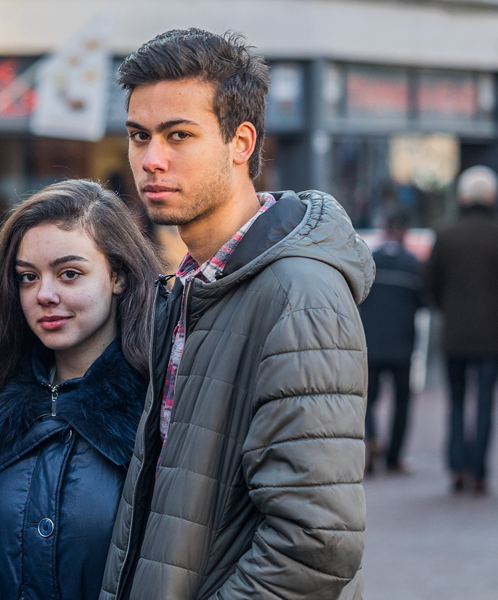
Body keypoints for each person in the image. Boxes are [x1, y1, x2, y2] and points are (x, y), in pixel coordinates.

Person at [99, 29, 375, 600]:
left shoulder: (301, 293)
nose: (151, 159)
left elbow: (316, 540)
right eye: (138, 135)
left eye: (178, 135)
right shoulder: (191, 285)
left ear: (241, 142)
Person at [0, 180, 161, 599]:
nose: (44, 294)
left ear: (118, 275)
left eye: (69, 274)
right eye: (27, 277)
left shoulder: (165, 410)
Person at [425, 165, 498, 494]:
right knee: (484, 402)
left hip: (454, 333)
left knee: (455, 401)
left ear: (463, 197)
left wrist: (446, 308)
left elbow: (427, 284)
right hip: (491, 337)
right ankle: (479, 470)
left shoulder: (446, 234)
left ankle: (455, 465)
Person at [359, 211, 424, 474]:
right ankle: (394, 458)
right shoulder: (413, 264)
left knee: (368, 399)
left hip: (370, 343)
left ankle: (372, 438)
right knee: (402, 402)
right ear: (405, 232)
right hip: (402, 344)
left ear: (385, 230)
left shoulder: (369, 260)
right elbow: (424, 300)